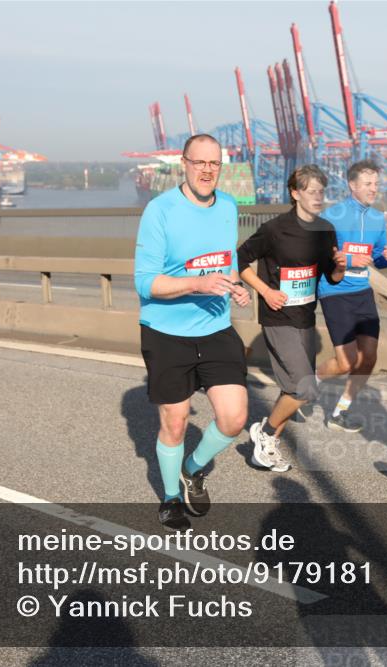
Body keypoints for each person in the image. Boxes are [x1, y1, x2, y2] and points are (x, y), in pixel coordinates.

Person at [133, 134, 252, 531]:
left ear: (221, 167)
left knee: (234, 418)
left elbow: (226, 261)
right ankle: (170, 498)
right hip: (166, 332)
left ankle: (193, 469)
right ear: (183, 164)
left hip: (216, 327)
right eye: (199, 162)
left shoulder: (229, 206)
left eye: (214, 164)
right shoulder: (160, 210)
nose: (206, 170)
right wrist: (195, 285)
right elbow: (145, 282)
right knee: (176, 422)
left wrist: (236, 287)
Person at [238, 165, 346, 471]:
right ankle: (266, 432)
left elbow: (331, 277)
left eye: (321, 191)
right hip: (277, 317)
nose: (318, 196)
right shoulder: (274, 229)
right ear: (295, 193)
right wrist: (265, 292)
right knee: (305, 389)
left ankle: (265, 448)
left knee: (292, 389)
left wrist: (339, 266)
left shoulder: (325, 230)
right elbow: (240, 259)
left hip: (306, 318)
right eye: (311, 191)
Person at [315, 160, 387, 432]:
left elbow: (376, 258)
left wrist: (386, 258)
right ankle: (304, 385)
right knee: (345, 362)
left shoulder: (376, 218)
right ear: (352, 186)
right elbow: (321, 255)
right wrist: (350, 258)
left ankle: (340, 412)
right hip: (335, 292)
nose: (374, 189)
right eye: (367, 184)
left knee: (369, 357)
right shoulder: (332, 216)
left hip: (363, 292)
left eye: (376, 184)